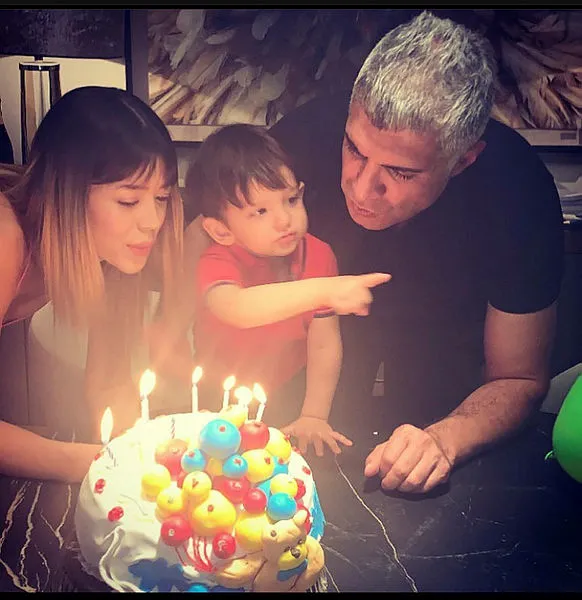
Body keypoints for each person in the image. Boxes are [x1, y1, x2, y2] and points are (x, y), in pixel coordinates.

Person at [184, 11, 564, 493]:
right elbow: (202, 236)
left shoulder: (516, 191)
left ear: (462, 160)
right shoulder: (303, 138)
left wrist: (444, 440)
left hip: (441, 401)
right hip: (296, 403)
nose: (362, 189)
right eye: (354, 150)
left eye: (401, 173)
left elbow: (519, 377)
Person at [0, 86, 184, 482]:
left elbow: (110, 386)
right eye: (128, 201)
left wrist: (142, 458)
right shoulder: (5, 236)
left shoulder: (113, 256)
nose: (153, 221)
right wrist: (85, 462)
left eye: (162, 198)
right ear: (65, 193)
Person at [184, 123, 390, 456]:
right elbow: (236, 307)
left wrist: (314, 415)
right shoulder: (217, 259)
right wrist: (324, 291)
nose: (284, 220)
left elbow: (323, 343)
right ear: (221, 230)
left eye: (291, 200)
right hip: (218, 393)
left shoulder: (319, 255)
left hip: (289, 388)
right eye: (260, 211)